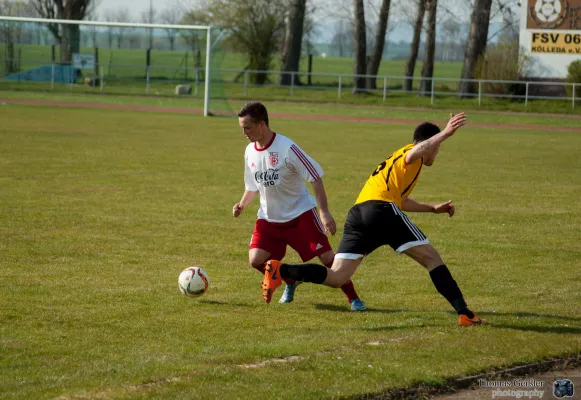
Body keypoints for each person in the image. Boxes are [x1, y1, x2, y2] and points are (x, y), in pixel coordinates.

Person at [261, 112, 487, 326]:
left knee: (337, 277)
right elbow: (417, 152)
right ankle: (465, 313)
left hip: (359, 213)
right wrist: (446, 133)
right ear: (430, 144)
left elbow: (401, 200)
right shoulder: (410, 153)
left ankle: (282, 270)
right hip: (381, 211)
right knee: (432, 258)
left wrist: (433, 208)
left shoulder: (401, 166)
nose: (436, 153)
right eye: (437, 148)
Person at [233, 101, 366, 311]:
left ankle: (353, 298)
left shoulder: (287, 148)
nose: (244, 133)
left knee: (327, 259)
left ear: (261, 125)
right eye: (242, 128)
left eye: (247, 127)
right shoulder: (250, 151)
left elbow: (315, 177)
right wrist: (242, 204)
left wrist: (324, 213)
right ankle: (291, 280)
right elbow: (252, 186)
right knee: (256, 260)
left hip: (300, 214)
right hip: (269, 218)